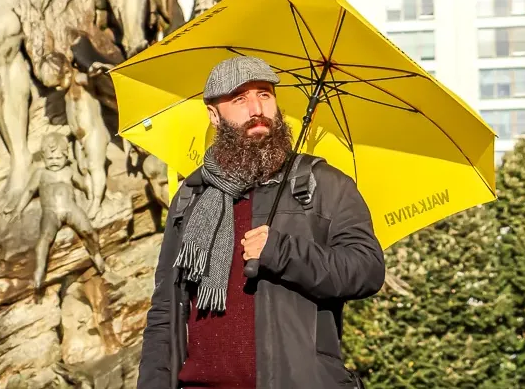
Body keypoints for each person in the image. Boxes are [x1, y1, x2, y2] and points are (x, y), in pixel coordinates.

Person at [137, 56, 386, 389]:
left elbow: (366, 269)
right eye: (240, 98)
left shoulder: (322, 185)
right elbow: (166, 309)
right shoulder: (191, 195)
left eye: (265, 94)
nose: (256, 108)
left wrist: (282, 252)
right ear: (214, 115)